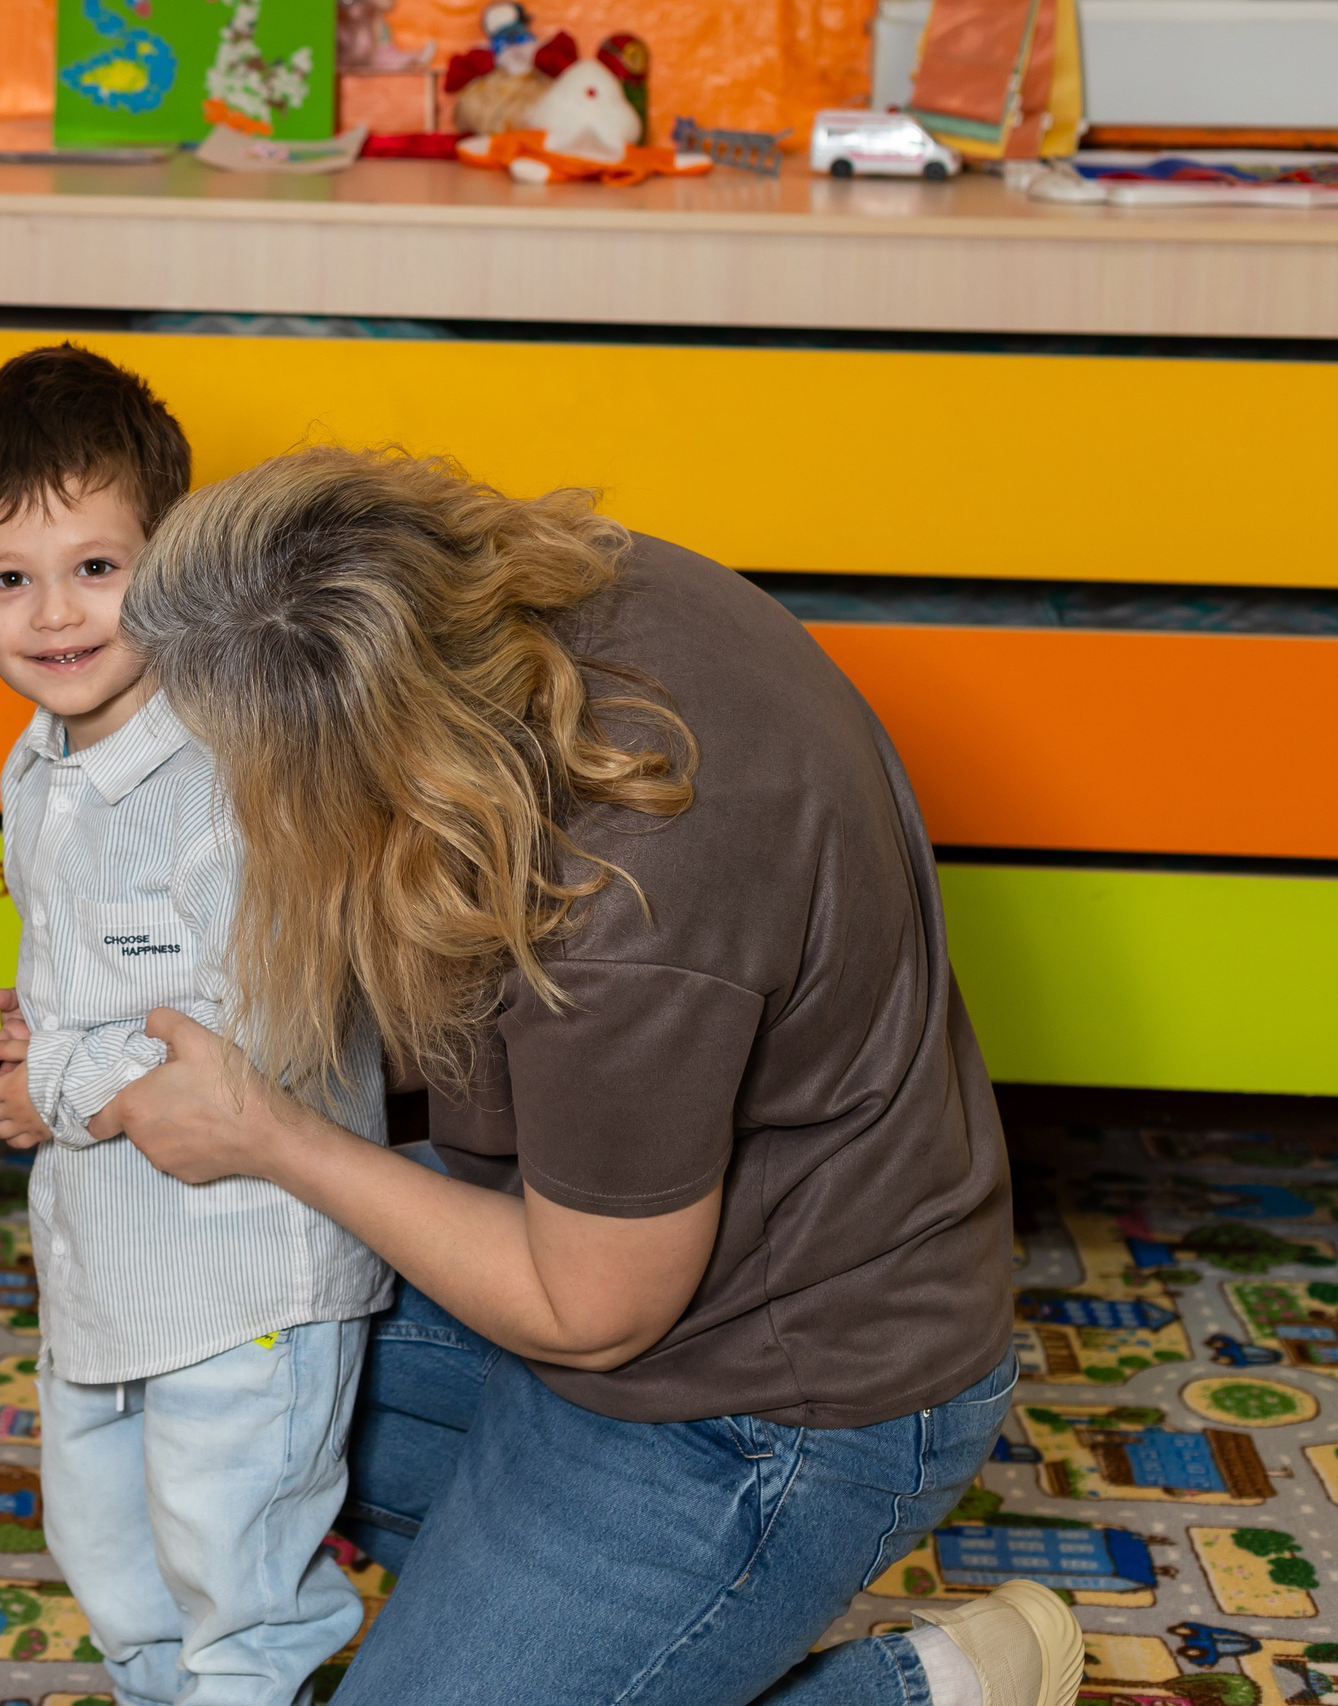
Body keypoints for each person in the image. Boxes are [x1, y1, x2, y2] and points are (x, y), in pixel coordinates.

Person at [62, 446, 1082, 1706]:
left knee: (245, 1416)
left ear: (369, 760)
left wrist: (276, 1135)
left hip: (760, 1400)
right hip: (597, 1233)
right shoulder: (563, 594)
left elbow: (592, 1307)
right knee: (169, 1376)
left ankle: (919, 1689)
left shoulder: (618, 910)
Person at [0, 347, 393, 1706]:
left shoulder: (226, 778)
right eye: (10, 579)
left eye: (97, 566)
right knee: (109, 1555)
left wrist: (56, 1078)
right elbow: (105, 960)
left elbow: (252, 1020)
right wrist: (42, 1027)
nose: (54, 612)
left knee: (235, 1580)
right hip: (103, 1255)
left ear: (177, 568)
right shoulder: (39, 765)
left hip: (244, 1271)